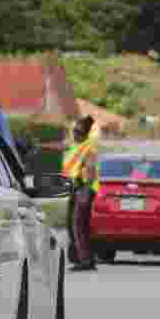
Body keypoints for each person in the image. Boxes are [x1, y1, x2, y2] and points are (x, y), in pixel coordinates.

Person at [62, 116, 99, 271]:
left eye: (78, 131)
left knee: (78, 224)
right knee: (73, 224)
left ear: (85, 133)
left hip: (84, 189)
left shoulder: (88, 147)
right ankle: (80, 256)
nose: (74, 134)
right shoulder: (76, 146)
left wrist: (85, 188)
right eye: (74, 131)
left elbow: (90, 169)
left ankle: (86, 260)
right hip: (75, 189)